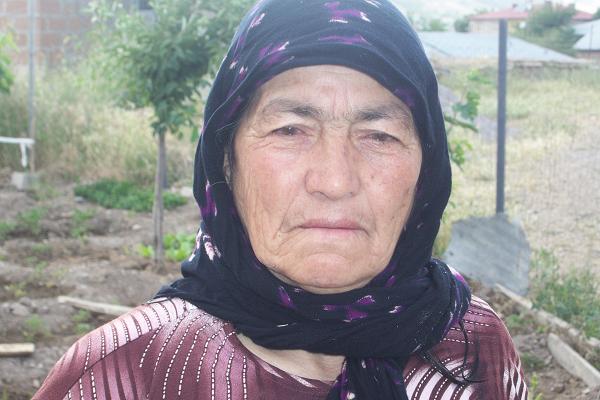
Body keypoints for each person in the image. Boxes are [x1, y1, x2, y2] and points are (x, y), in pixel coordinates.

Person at [33, 0, 527, 399]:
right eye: (290, 129)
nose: (335, 181)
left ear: (426, 172)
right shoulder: (126, 371)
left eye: (379, 135)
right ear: (226, 164)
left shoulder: (473, 346)